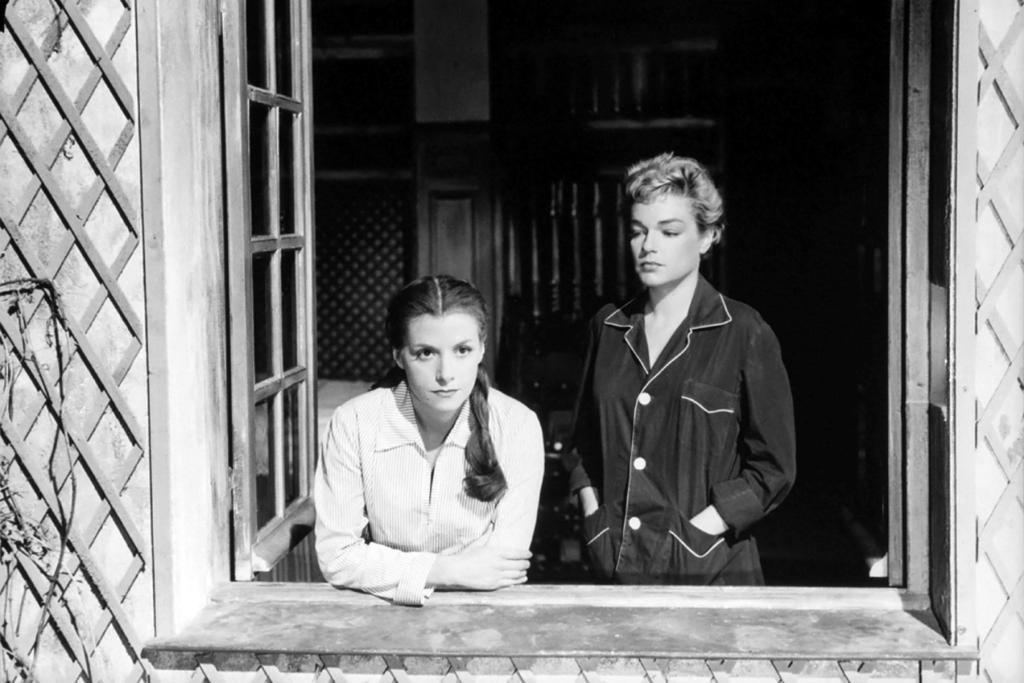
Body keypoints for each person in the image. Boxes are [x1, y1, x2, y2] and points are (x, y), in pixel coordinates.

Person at [569, 153, 796, 585]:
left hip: (711, 575)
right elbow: (583, 444)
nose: (648, 246)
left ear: (708, 237)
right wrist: (594, 515)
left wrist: (699, 533)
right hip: (615, 568)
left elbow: (773, 469)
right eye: (638, 231)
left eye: (669, 231)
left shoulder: (744, 331)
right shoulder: (609, 326)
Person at [314, 275, 545, 605]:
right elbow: (337, 557)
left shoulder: (517, 425)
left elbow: (502, 566)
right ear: (398, 356)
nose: (445, 373)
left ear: (482, 348)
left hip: (482, 614)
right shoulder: (354, 422)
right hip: (378, 611)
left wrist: (382, 568)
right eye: (425, 353)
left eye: (462, 350)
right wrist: (448, 570)